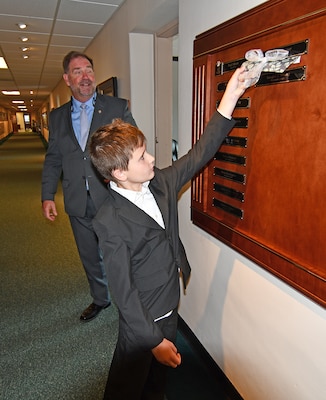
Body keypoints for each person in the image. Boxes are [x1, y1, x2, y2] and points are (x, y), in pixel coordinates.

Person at [89, 66, 249, 399]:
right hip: (142, 321)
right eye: (141, 156)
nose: (152, 158)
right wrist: (153, 340)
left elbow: (199, 153)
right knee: (126, 386)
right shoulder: (109, 221)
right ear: (119, 172)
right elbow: (124, 293)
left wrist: (231, 95)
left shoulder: (160, 181)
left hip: (169, 304)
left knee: (158, 382)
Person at [41, 51, 137, 322]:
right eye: (77, 71)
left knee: (119, 252)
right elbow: (53, 158)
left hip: (110, 197)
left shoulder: (116, 107)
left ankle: (129, 303)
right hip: (76, 198)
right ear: (67, 79)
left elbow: (133, 146)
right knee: (89, 255)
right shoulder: (57, 117)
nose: (85, 76)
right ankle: (100, 299)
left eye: (88, 70)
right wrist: (47, 195)